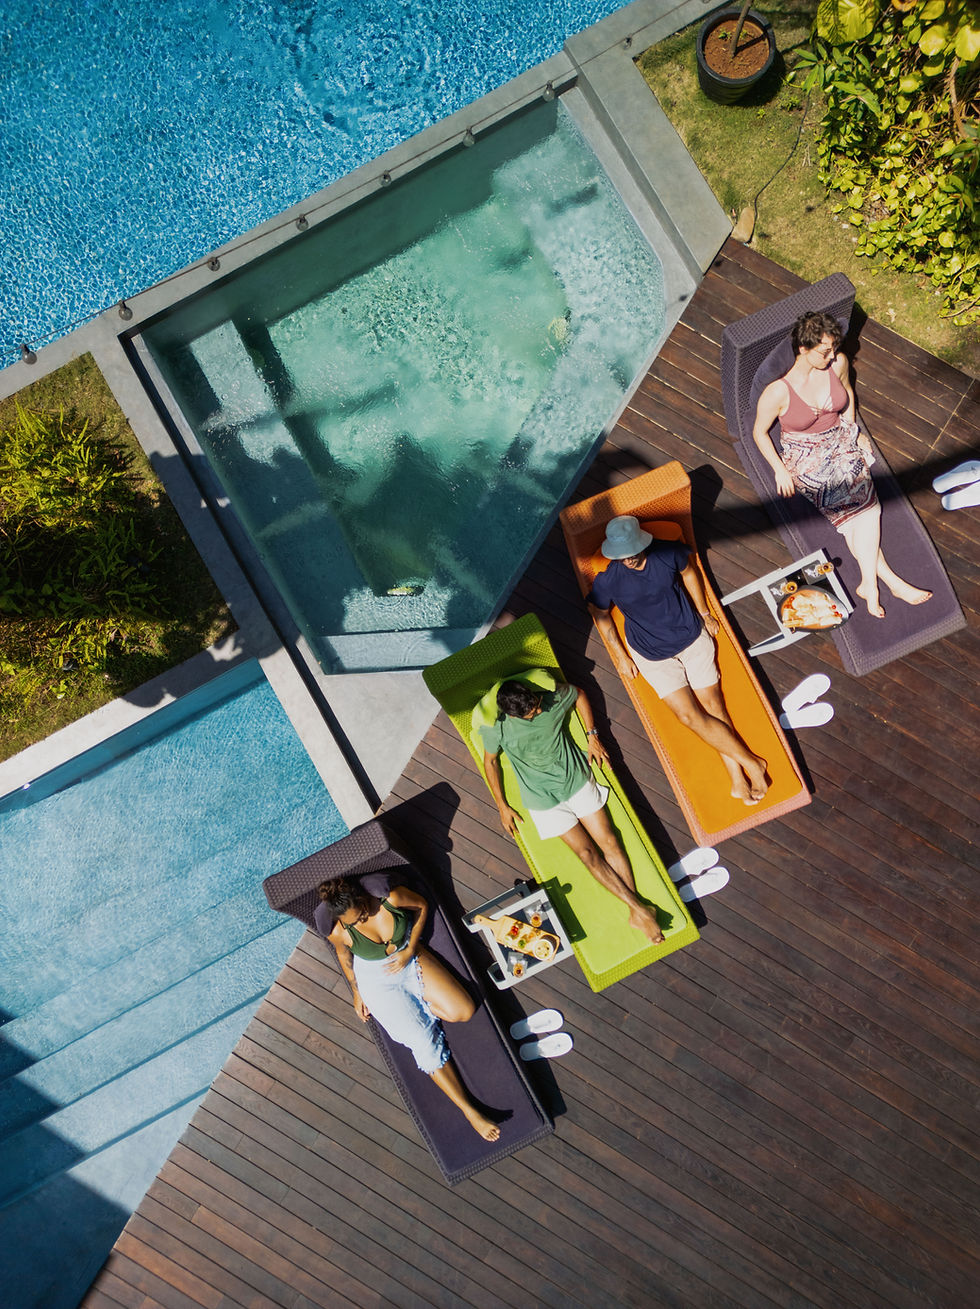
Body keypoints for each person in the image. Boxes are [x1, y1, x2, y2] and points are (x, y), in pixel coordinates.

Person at [752, 310, 932, 619]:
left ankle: (873, 585)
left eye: (834, 348)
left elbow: (847, 394)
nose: (832, 355)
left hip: (840, 442)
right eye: (825, 351)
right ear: (803, 348)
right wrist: (780, 469)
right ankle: (883, 584)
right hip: (807, 458)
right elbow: (759, 432)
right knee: (855, 516)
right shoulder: (778, 391)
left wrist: (853, 430)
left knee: (867, 511)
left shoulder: (838, 364)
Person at [587, 515, 769, 807]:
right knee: (687, 716)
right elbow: (600, 614)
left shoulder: (667, 553)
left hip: (691, 636)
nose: (628, 559)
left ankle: (737, 777)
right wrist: (620, 655)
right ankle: (752, 763)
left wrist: (705, 612)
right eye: (621, 555)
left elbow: (690, 573)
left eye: (631, 552)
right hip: (650, 653)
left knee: (714, 706)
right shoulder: (609, 579)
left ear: (642, 543)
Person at [479, 678, 664, 944]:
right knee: (587, 855)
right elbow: (490, 762)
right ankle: (639, 910)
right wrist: (501, 806)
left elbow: (579, 693)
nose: (539, 710)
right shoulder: (498, 728)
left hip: (575, 779)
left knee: (610, 842)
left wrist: (592, 736)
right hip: (543, 800)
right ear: (513, 715)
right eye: (532, 713)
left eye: (536, 705)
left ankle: (638, 912)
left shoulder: (550, 700)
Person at [318, 877, 500, 1141]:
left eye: (358, 916)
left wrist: (411, 946)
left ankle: (420, 1010)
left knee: (463, 1011)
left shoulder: (391, 899)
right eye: (350, 922)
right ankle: (469, 1111)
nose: (355, 923)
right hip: (377, 981)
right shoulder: (340, 931)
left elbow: (422, 906)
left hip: (409, 957)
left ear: (361, 900)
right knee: (421, 1044)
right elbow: (345, 957)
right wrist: (357, 992)